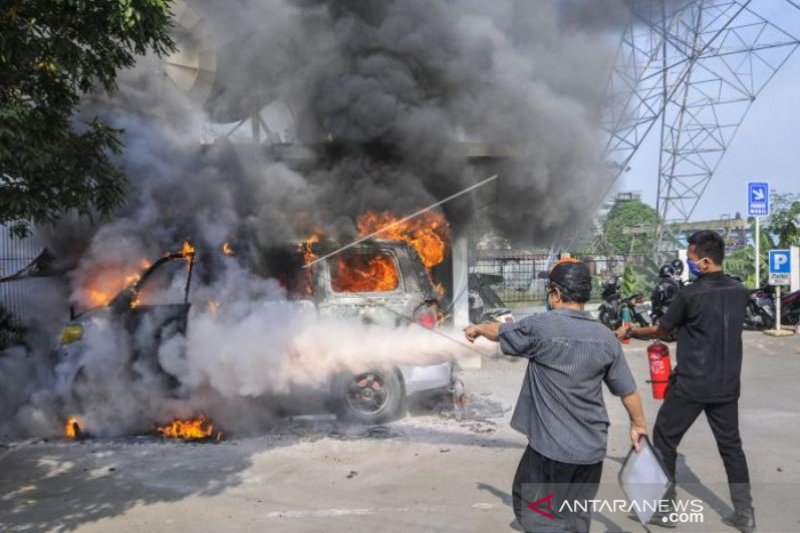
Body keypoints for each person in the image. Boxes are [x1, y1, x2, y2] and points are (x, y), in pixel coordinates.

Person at [465, 258, 647, 533]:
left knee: (540, 516)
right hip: (591, 451)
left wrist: (478, 328)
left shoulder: (541, 326)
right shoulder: (606, 337)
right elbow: (628, 390)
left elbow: (499, 331)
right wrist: (638, 425)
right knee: (573, 516)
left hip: (552, 451)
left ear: (557, 294)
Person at [617, 230, 755, 533]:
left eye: (692, 257)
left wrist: (630, 332)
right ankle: (745, 514)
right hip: (727, 384)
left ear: (704, 261)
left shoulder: (690, 294)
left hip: (691, 383)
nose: (689, 262)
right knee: (732, 447)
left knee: (665, 438)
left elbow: (664, 331)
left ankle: (664, 510)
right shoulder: (738, 290)